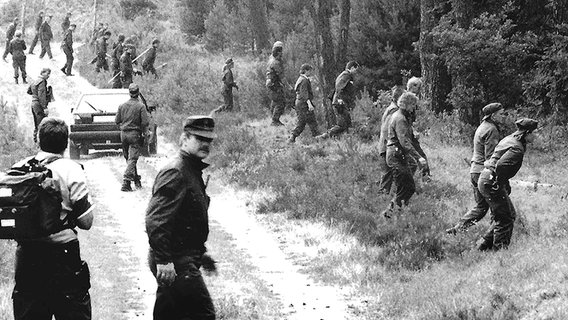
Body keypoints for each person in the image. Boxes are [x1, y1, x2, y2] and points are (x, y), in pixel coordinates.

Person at [12, 117, 94, 320]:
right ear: (66, 143)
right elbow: (86, 222)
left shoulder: (20, 167)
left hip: (27, 255)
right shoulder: (71, 169)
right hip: (62, 255)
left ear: (38, 141)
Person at [146, 115, 217, 320]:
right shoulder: (176, 172)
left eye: (209, 140)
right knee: (202, 314)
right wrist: (164, 260)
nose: (205, 144)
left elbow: (185, 221)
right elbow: (156, 219)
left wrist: (199, 254)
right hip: (175, 260)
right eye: (199, 138)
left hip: (182, 257)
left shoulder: (191, 170)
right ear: (184, 139)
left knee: (169, 313)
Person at [476, 118, 538, 251]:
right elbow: (502, 165)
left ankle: (482, 246)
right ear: (527, 132)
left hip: (486, 178)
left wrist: (504, 183)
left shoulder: (510, 139)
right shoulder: (517, 148)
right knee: (505, 219)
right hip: (491, 181)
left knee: (508, 214)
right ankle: (499, 252)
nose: (535, 135)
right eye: (534, 133)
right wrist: (499, 182)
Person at [446, 103, 505, 234]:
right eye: (501, 114)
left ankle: (457, 229)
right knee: (498, 206)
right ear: (493, 115)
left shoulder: (482, 127)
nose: (503, 116)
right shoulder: (492, 130)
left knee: (481, 207)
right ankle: (494, 236)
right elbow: (490, 157)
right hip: (483, 173)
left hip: (474, 171)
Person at [381, 91, 427, 218]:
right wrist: (419, 157)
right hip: (396, 156)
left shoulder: (400, 116)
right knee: (408, 186)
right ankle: (390, 214)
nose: (414, 108)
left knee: (405, 187)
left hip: (396, 155)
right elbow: (404, 142)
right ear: (407, 104)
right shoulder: (400, 119)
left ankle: (393, 213)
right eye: (413, 105)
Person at [115, 83, 149, 192]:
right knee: (133, 159)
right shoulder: (141, 106)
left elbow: (117, 121)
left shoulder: (122, 106)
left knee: (129, 159)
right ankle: (126, 182)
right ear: (138, 93)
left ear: (129, 93)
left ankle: (136, 180)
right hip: (134, 134)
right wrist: (144, 133)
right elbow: (145, 122)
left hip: (123, 134)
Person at [316, 61, 360, 139]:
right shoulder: (346, 75)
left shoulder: (346, 75)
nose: (356, 72)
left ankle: (346, 140)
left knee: (347, 123)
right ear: (352, 68)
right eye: (356, 69)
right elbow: (339, 86)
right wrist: (339, 99)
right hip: (340, 103)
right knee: (342, 125)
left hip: (341, 102)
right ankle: (324, 137)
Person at [377, 85, 405, 193]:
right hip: (387, 148)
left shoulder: (391, 109)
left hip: (386, 147)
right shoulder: (394, 111)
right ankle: (381, 200)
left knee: (388, 176)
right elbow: (387, 130)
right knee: (386, 177)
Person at [288, 63, 319, 143]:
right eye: (309, 71)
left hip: (300, 103)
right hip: (303, 104)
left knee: (311, 121)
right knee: (302, 122)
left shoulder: (301, 79)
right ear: (306, 71)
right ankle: (293, 137)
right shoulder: (304, 80)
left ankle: (317, 137)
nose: (310, 72)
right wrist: (309, 103)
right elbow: (304, 93)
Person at [266, 41, 291, 126]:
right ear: (278, 52)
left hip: (271, 84)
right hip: (274, 84)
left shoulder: (271, 59)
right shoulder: (275, 62)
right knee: (281, 102)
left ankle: (273, 117)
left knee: (275, 101)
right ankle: (275, 120)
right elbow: (282, 77)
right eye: (281, 52)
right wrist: (288, 87)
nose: (282, 54)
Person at [30, 68, 52, 143]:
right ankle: (41, 143)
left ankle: (36, 141)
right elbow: (41, 95)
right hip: (39, 105)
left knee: (37, 124)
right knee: (42, 124)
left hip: (33, 103)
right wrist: (44, 107)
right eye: (47, 73)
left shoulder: (34, 81)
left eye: (49, 74)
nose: (48, 75)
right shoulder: (42, 81)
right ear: (42, 73)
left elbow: (29, 91)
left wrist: (35, 95)